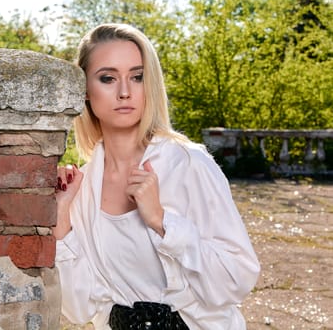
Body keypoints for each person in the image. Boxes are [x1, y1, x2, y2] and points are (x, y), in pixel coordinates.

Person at [53, 23, 260, 330]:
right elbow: (79, 309)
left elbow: (237, 278)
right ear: (85, 91)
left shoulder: (189, 163)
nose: (125, 91)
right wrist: (61, 223)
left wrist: (163, 222)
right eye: (108, 78)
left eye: (137, 77)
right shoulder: (81, 190)